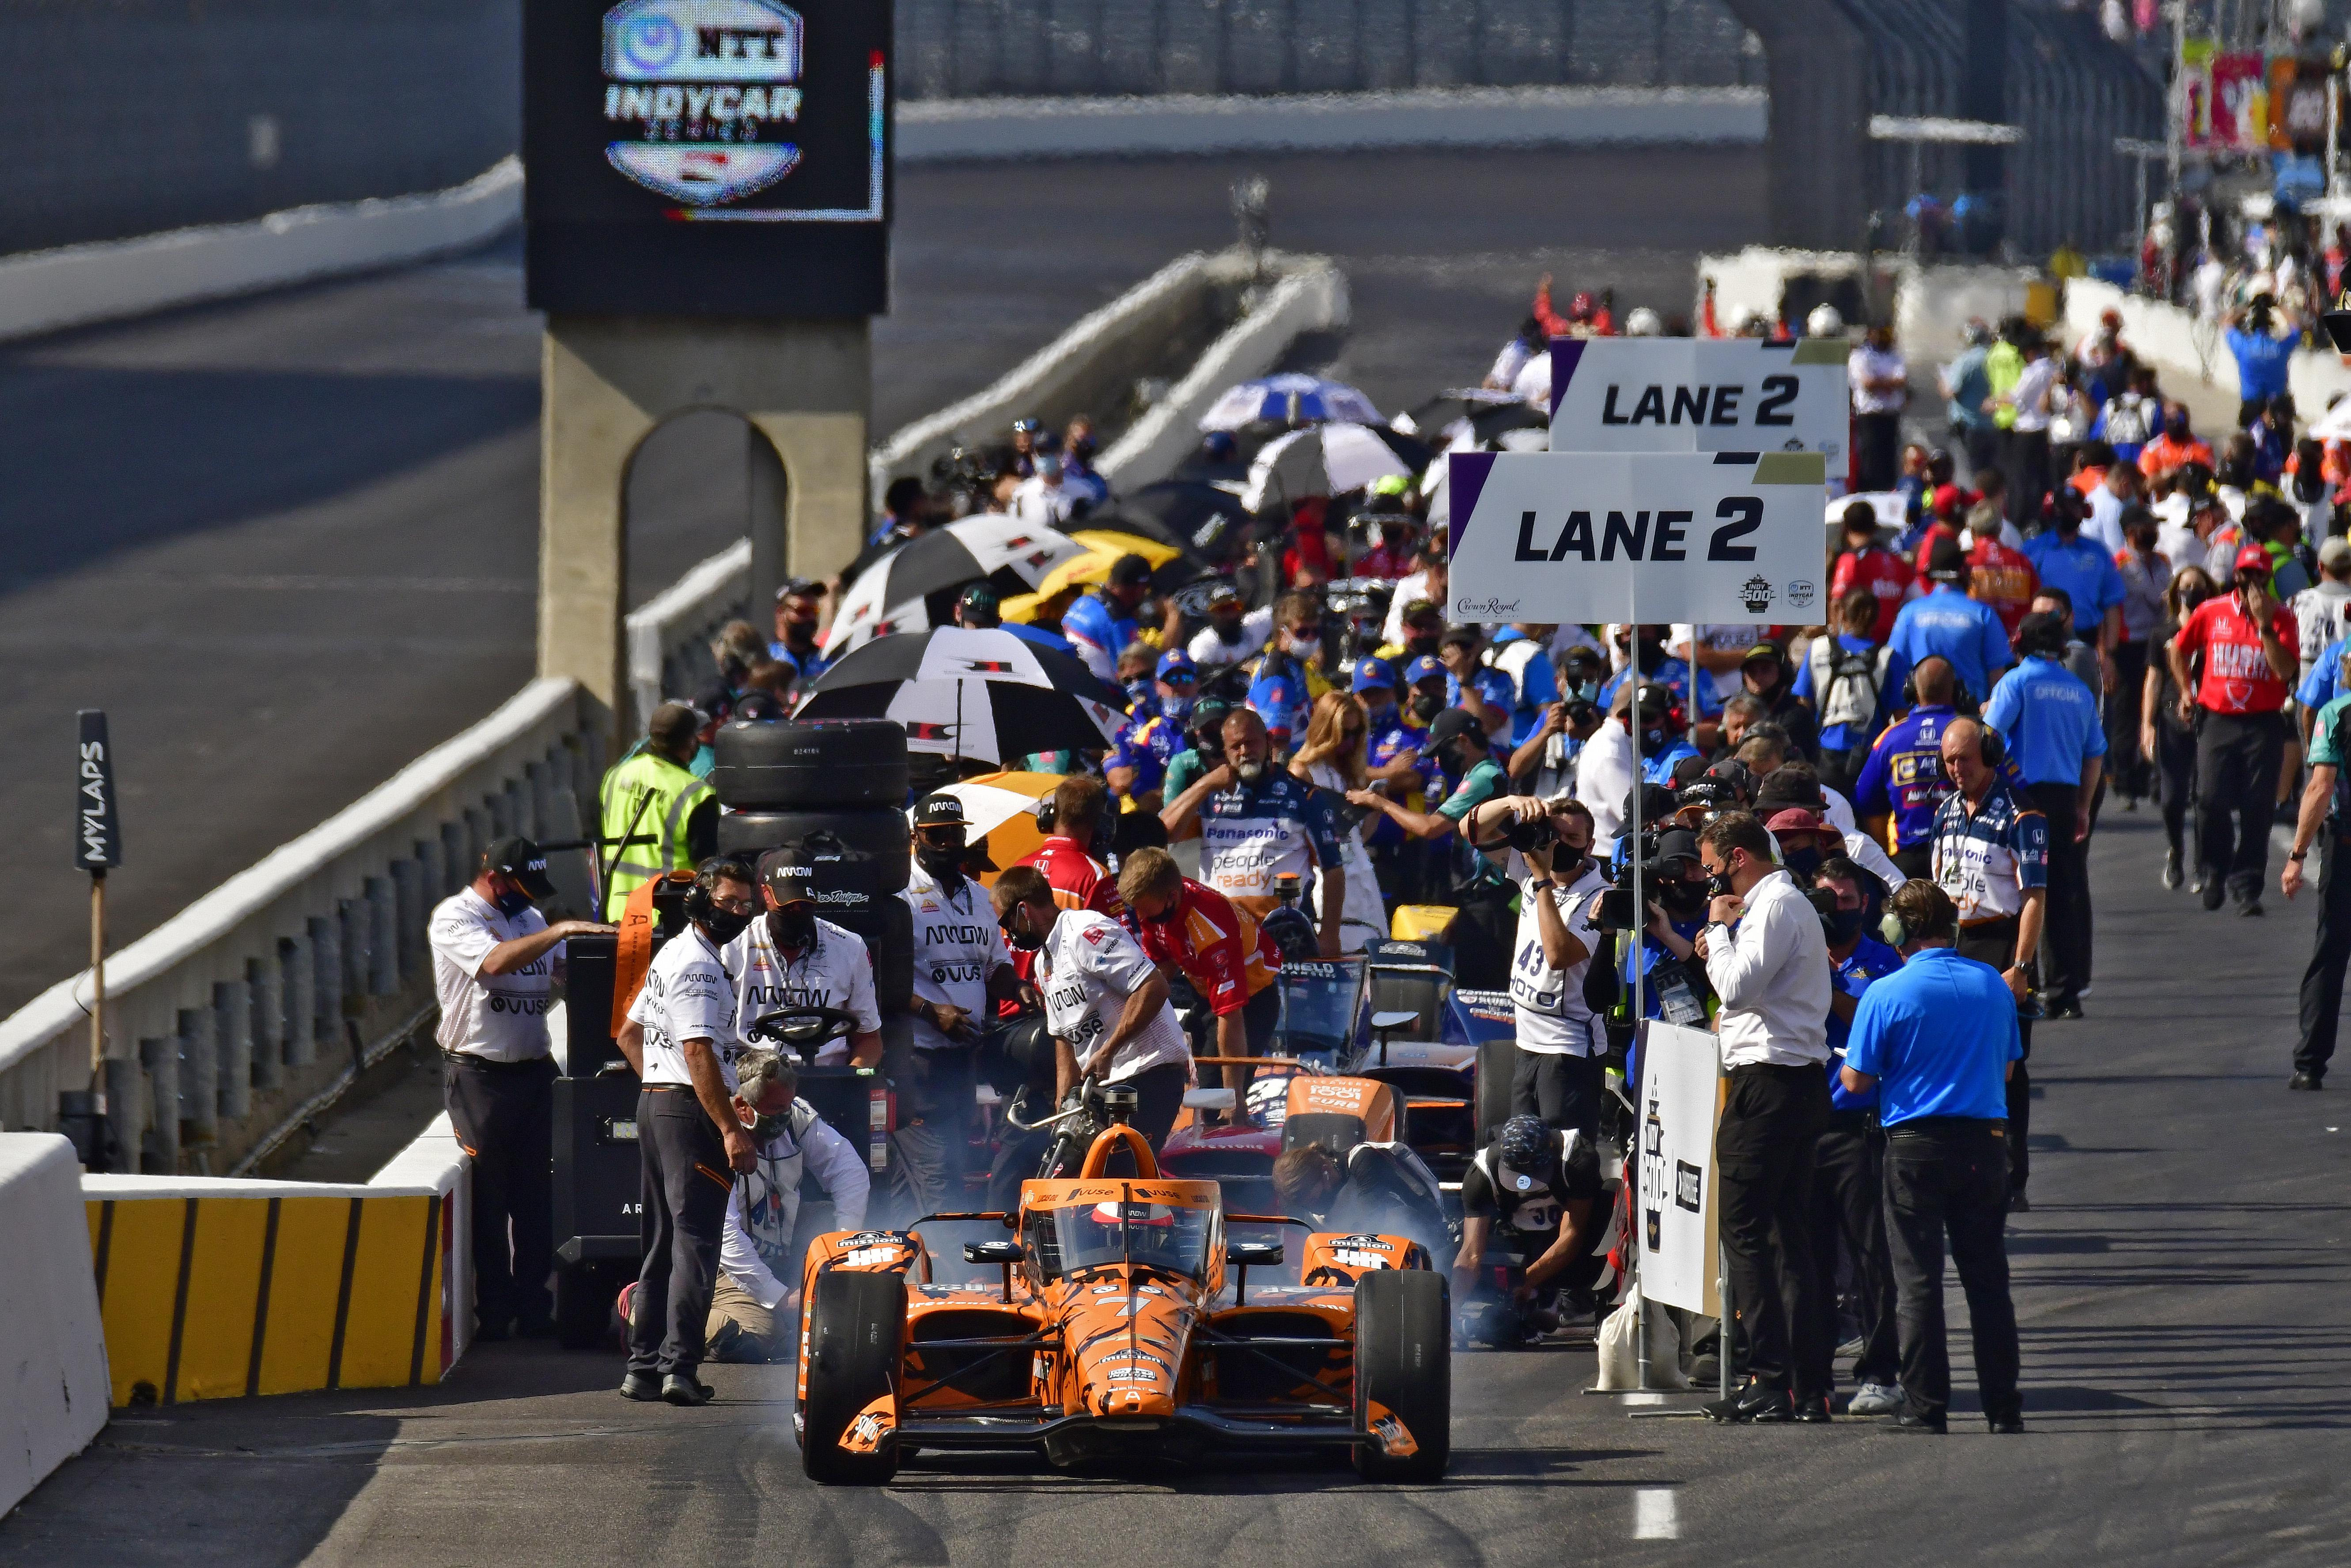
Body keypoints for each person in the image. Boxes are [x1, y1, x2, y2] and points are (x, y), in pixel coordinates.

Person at [1838, 879, 2025, 1435]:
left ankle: (1928, 1404)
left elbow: (1855, 1079)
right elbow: (2009, 1069)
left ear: (1898, 931)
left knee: (1918, 1280)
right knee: (1987, 1278)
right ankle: (2003, 1405)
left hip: (1915, 1144)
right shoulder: (1992, 984)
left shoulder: (1886, 993)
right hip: (1985, 1143)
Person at [428, 837, 612, 1340]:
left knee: (540, 1196)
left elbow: (566, 975)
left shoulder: (530, 919)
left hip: (533, 1070)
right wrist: (560, 930)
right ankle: (495, 1310)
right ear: (495, 877)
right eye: (521, 887)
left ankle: (535, 1305)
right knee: (490, 1197)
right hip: (480, 1073)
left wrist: (605, 954)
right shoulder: (455, 917)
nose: (529, 898)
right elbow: (494, 964)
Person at [1693, 811, 1836, 1424]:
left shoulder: (1774, 905)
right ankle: (1803, 1384)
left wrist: (1718, 933)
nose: (1707, 884)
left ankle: (1774, 1377)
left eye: (1709, 869)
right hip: (1789, 1083)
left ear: (1737, 858)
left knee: (1746, 1234)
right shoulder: (1780, 905)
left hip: (1770, 1085)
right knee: (1786, 1238)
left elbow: (1736, 990)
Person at [616, 857, 761, 1406]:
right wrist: (728, 1125)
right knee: (696, 1244)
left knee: (659, 1244)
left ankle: (643, 1367)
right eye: (728, 901)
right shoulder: (699, 965)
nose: (739, 913)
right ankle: (680, 1367)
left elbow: (629, 1034)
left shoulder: (672, 952)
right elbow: (697, 1048)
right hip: (686, 1115)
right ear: (701, 898)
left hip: (656, 1106)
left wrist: (664, 1082)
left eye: (746, 904)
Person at [992, 864, 1194, 1149]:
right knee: (1074, 1174)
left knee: (1117, 1176)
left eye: (1006, 923)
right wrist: (1064, 1108)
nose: (1008, 932)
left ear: (1024, 910)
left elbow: (1154, 986)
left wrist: (1109, 1050)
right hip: (1105, 1086)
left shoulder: (1085, 932)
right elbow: (1064, 1038)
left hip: (1149, 1072)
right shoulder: (1044, 961)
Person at [1930, 719, 2045, 1209]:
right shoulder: (1946, 811)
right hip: (1954, 945)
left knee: (2006, 1067)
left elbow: (2036, 896)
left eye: (1965, 760)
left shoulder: (2023, 815)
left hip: (2001, 945)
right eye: (1949, 761)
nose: (1956, 769)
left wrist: (2020, 966)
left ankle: (2012, 1173)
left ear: (1990, 755)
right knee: (1953, 1060)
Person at [704, 1047, 871, 1363]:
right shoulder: (717, 1136)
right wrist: (781, 1298)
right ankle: (650, 1306)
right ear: (742, 1106)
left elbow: (849, 1169)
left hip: (774, 1257)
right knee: (761, 1336)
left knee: (829, 1326)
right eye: (775, 1108)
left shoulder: (795, 1116)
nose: (784, 1115)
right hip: (719, 1265)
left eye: (787, 1105)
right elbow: (724, 1235)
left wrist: (842, 1247)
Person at [898, 799, 1025, 1212]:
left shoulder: (982, 897)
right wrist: (930, 1011)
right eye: (938, 834)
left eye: (957, 833)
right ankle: (950, 1267)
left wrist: (1021, 989)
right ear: (916, 837)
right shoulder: (900, 897)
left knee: (950, 1165)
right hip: (916, 1058)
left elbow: (996, 968)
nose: (949, 842)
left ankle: (913, 1255)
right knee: (940, 1173)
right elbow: (876, 980)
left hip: (965, 1057)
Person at [1810, 857, 1903, 1416]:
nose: (1837, 910)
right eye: (1827, 900)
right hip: (1804, 1124)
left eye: (1846, 900)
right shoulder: (1794, 950)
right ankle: (1814, 1373)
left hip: (1862, 1128)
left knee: (1872, 1256)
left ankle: (1881, 1369)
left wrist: (1821, 986)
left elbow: (1876, 1020)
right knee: (1811, 1258)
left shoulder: (1884, 962)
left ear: (1864, 904)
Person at [1458, 793, 1609, 1132]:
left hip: (1567, 1047)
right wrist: (1512, 803)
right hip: (1525, 1039)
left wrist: (1541, 879)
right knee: (1522, 1148)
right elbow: (1470, 829)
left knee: (1560, 1154)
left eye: (1573, 839)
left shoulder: (1598, 896)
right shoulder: (1529, 865)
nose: (1561, 845)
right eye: (1555, 836)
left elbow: (1560, 956)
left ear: (1590, 845)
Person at [1983, 612, 2105, 1017]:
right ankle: (2065, 992)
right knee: (2063, 892)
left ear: (2019, 643)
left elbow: (1989, 737)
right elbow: (2094, 754)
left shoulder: (2015, 682)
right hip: (2065, 796)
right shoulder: (2078, 690)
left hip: (2022, 795)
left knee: (2019, 890)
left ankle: (2022, 981)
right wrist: (2083, 806)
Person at [2169, 545, 2298, 914]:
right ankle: (2212, 869)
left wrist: (2263, 625)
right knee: (2209, 798)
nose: (2252, 583)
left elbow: (2283, 671)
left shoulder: (2282, 617)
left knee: (2258, 805)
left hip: (2262, 722)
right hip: (2218, 719)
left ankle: (2247, 885)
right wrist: (2184, 691)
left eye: (2260, 576)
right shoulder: (2212, 611)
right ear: (2236, 576)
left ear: (2268, 579)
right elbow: (2178, 649)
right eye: (2246, 574)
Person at [1347, 707, 1518, 986]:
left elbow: (1430, 828)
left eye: (1442, 750)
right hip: (1476, 897)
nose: (1439, 759)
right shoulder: (1481, 772)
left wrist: (1381, 803)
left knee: (1480, 990)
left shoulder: (1484, 777)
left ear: (1463, 742)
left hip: (1491, 900)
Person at [1163, 707, 1347, 957]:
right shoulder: (1209, 795)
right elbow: (1164, 833)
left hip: (1284, 934)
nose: (1245, 752)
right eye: (1235, 747)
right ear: (1225, 753)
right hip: (1220, 934)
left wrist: (1330, 935)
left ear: (1269, 742)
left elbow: (1334, 869)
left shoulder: (1305, 796)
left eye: (1251, 743)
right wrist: (1205, 784)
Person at [1119, 847, 1283, 1119]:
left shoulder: (1210, 928)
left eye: (1146, 911)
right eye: (1138, 910)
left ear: (1172, 898)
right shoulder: (1155, 902)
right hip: (1205, 995)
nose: (1142, 918)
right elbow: (1160, 969)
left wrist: (1234, 1097)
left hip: (1250, 1003)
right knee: (1179, 1080)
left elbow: (1231, 1015)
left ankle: (1228, 1136)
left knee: (1212, 1101)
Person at [731, 844, 885, 1069]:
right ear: (766, 895)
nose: (796, 912)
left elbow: (869, 1039)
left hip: (829, 1077)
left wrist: (851, 1081)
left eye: (804, 905)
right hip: (756, 1078)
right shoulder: (734, 947)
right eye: (788, 906)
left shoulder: (850, 947)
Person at [1453, 1115, 1608, 1337]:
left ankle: (1600, 1305)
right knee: (1450, 1253)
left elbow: (1572, 1235)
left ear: (1551, 1149)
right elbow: (1471, 1254)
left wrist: (1529, 1280)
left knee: (1611, 1198)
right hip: (1516, 1243)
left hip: (1573, 1250)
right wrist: (1447, 1317)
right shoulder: (1481, 1176)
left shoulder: (1578, 1160)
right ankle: (1531, 1302)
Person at [2287, 669, 2351, 1089]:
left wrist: (2296, 855)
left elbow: (2320, 787)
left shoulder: (2336, 713)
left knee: (2330, 947)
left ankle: (2310, 1062)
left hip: (2345, 843)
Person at [1287, 691, 1389, 953]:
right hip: (1328, 879)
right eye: (1346, 733)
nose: (1350, 742)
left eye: (1357, 734)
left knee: (1371, 958)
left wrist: (1375, 807)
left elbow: (1360, 837)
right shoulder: (1303, 771)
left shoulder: (1350, 773)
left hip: (1362, 874)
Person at [598, 702, 718, 919]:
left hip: (616, 911)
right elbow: (707, 866)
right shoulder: (697, 794)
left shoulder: (616, 776)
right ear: (690, 741)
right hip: (666, 916)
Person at [2144, 567, 2219, 892]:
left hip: (2210, 719)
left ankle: (2203, 862)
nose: (2192, 592)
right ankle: (2176, 849)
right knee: (2172, 798)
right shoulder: (2162, 633)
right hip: (2172, 718)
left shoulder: (2216, 630)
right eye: (2186, 587)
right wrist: (2146, 724)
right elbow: (2153, 680)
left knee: (2205, 795)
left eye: (2198, 587)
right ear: (2176, 592)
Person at [1880, 538, 2014, 709]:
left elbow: (1895, 667)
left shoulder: (1909, 614)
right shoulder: (1982, 614)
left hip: (1920, 718)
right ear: (1962, 572)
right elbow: (1997, 676)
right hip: (1968, 720)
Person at [2022, 494, 2125, 688]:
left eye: (2074, 507)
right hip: (2042, 639)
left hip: (2088, 642)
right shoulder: (2034, 550)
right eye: (2063, 507)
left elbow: (2112, 606)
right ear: (2051, 511)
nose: (2068, 513)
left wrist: (2109, 656)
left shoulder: (2098, 552)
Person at [1797, 589, 1893, 797]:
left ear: (1842, 616)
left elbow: (1804, 704)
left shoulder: (1817, 648)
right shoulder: (1890, 657)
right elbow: (1901, 715)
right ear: (1876, 620)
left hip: (1825, 755)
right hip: (1872, 756)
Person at [2109, 506, 2171, 809]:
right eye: (2146, 528)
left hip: (2155, 639)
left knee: (2155, 708)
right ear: (2131, 531)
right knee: (2124, 713)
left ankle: (2148, 775)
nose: (2152, 534)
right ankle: (2123, 781)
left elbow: (2167, 596)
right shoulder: (2118, 563)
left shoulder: (2162, 561)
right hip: (2127, 643)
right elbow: (2149, 594)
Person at [1063, 553, 1154, 683]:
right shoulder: (1119, 621)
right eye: (1146, 589)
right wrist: (1172, 619)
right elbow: (1138, 676)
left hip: (1074, 680)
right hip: (1105, 694)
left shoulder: (1083, 602)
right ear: (1139, 589)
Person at [2225, 292, 2301, 431]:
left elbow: (2227, 324)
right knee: (2283, 448)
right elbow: (2296, 327)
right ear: (2271, 325)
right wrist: (2277, 304)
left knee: (2248, 448)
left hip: (2251, 407)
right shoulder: (2279, 348)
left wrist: (2247, 306)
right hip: (2278, 407)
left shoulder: (2243, 346)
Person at [1849, 323, 1909, 493]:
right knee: (1870, 459)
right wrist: (1889, 383)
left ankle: (1887, 490)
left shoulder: (1895, 356)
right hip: (1870, 416)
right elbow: (1867, 383)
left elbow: (1902, 379)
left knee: (1889, 459)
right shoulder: (1860, 356)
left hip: (1890, 415)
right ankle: (1869, 491)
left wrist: (1880, 383)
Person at [1485, 622, 1565, 747]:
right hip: (1524, 753)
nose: (1555, 627)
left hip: (1488, 751)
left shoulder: (1486, 650)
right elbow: (1550, 718)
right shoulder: (1534, 656)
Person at [1942, 319, 2000, 477]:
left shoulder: (1966, 360)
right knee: (1992, 472)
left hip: (1969, 425)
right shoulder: (1997, 357)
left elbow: (1951, 391)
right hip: (1993, 424)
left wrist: (1942, 381)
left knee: (1969, 471)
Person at [1190, 581, 1274, 672]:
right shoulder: (1202, 645)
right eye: (1221, 610)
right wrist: (1239, 669)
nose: (1229, 616)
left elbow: (1284, 609)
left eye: (1233, 608)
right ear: (1210, 614)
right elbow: (1200, 673)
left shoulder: (1256, 624)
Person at [769, 578, 833, 685]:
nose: (811, 617)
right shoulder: (766, 662)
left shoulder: (827, 661)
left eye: (814, 611)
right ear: (780, 613)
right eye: (802, 611)